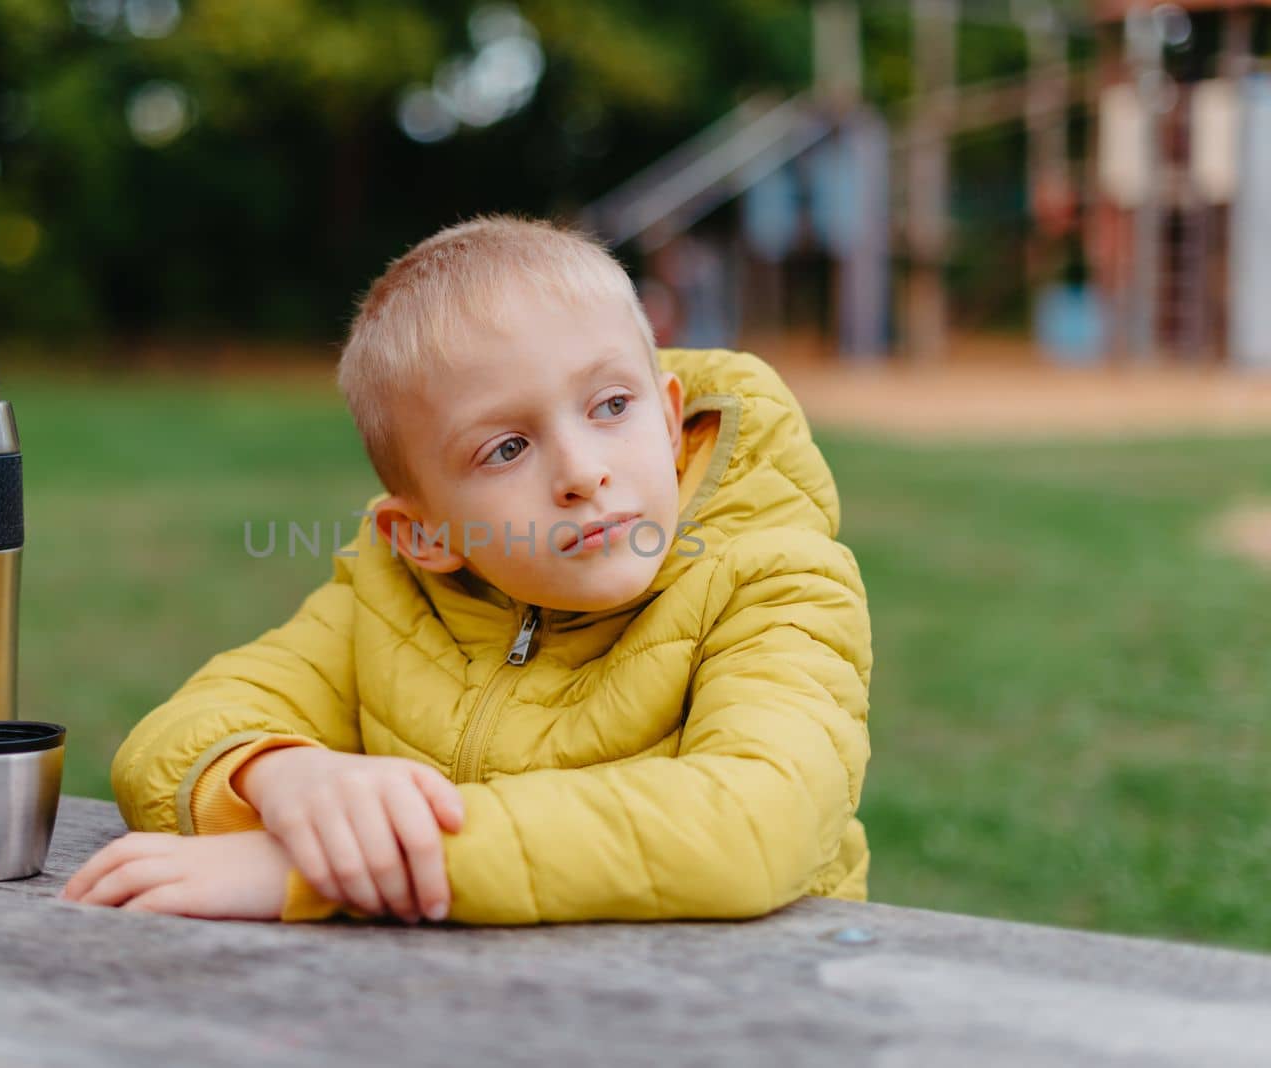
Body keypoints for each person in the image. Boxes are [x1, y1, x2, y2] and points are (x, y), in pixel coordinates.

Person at [60, 214, 872, 925]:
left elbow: (754, 823)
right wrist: (282, 776)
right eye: (507, 448)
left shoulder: (776, 584)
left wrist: (340, 872)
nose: (581, 471)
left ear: (668, 418)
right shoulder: (392, 598)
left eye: (611, 406)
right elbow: (163, 748)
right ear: (424, 536)